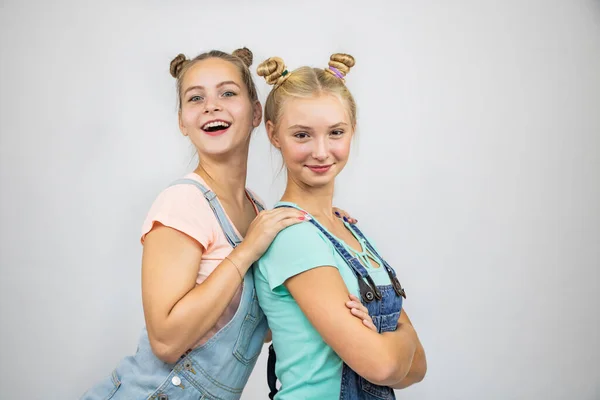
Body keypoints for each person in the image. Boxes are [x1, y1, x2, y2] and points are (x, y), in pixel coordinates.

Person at [81, 47, 362, 400]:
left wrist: (327, 229)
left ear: (257, 113)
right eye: (195, 98)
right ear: (183, 121)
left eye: (227, 93)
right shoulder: (183, 202)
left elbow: (257, 326)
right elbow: (166, 341)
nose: (211, 106)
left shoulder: (259, 211)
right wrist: (245, 252)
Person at [254, 53, 427, 400]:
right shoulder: (293, 235)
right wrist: (404, 337)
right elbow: (381, 367)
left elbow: (418, 370)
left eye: (335, 132)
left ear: (353, 130)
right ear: (274, 134)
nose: (321, 152)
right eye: (302, 135)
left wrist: (391, 351)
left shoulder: (349, 230)